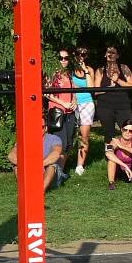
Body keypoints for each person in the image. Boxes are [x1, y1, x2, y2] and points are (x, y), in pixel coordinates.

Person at [44, 49, 77, 184]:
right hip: (57, 113)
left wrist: (74, 101)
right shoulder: (52, 74)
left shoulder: (69, 74)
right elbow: (46, 93)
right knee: (59, 144)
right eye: (61, 58)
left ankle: (60, 173)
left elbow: (73, 90)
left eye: (66, 58)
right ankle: (54, 174)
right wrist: (63, 103)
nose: (63, 60)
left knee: (68, 144)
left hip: (70, 113)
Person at [8, 116, 63, 192]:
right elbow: (11, 155)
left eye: (41, 127)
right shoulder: (25, 139)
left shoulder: (54, 139)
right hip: (30, 171)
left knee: (52, 166)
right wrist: (25, 164)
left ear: (46, 128)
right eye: (35, 126)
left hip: (49, 174)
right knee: (17, 166)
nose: (38, 129)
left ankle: (40, 191)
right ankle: (26, 189)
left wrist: (38, 165)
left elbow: (56, 154)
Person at [94, 46, 132, 146]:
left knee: (128, 130)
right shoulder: (100, 70)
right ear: (105, 55)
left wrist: (118, 80)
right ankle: (110, 156)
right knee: (109, 133)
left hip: (123, 106)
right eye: (108, 52)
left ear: (117, 55)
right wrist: (108, 87)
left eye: (113, 52)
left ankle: (130, 156)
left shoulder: (124, 68)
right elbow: (95, 92)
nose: (110, 54)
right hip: (105, 106)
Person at [71, 47, 95, 176]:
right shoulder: (69, 70)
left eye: (84, 54)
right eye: (79, 54)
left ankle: (80, 165)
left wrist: (86, 71)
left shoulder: (89, 70)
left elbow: (92, 89)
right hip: (72, 103)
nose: (81, 56)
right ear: (74, 55)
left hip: (87, 103)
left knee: (84, 135)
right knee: (70, 134)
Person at [105, 119, 132, 190]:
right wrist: (124, 165)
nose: (127, 132)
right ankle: (111, 183)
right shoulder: (114, 141)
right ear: (121, 130)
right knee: (111, 160)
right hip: (120, 171)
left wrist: (121, 146)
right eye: (125, 130)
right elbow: (108, 154)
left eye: (130, 131)